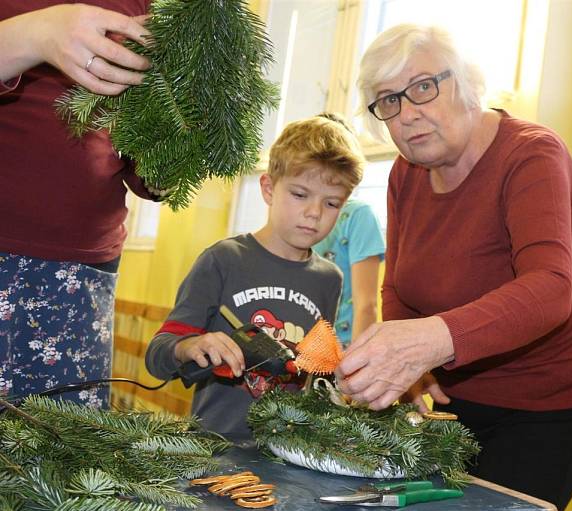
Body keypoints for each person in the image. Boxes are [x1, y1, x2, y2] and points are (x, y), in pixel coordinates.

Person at [334, 24, 572, 511]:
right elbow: (399, 284)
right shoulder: (407, 173)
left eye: (423, 87)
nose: (408, 114)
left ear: (465, 84)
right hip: (454, 395)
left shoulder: (531, 154)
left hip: (549, 401)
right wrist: (415, 367)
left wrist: (426, 344)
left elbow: (550, 289)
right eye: (388, 101)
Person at [145, 116, 365, 438]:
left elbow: (320, 373)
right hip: (213, 448)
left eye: (331, 203)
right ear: (269, 188)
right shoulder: (223, 260)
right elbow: (157, 356)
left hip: (289, 453)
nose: (314, 213)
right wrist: (191, 346)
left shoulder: (329, 279)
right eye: (300, 194)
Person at [0, 2, 157, 407]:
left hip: (82, 271)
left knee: (67, 450)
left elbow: (144, 152)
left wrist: (170, 160)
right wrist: (35, 34)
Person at [313, 114, 385, 348]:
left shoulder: (358, 215)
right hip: (299, 348)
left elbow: (366, 304)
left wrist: (355, 365)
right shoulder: (299, 213)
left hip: (341, 351)